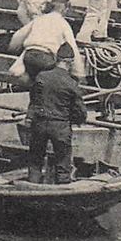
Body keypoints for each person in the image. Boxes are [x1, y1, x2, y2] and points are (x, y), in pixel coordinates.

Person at [26, 42, 88, 184]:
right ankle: (63, 188)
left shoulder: (41, 76)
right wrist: (77, 120)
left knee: (35, 160)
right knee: (63, 162)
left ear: (56, 59)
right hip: (60, 126)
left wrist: (30, 117)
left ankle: (32, 186)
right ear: (70, 62)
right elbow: (80, 111)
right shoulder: (71, 83)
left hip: (39, 123)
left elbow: (34, 100)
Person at [8, 0, 85, 86]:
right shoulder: (63, 24)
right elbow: (72, 48)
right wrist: (79, 74)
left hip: (29, 56)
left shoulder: (39, 19)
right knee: (50, 80)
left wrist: (12, 49)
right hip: (46, 58)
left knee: (31, 79)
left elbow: (18, 36)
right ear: (64, 9)